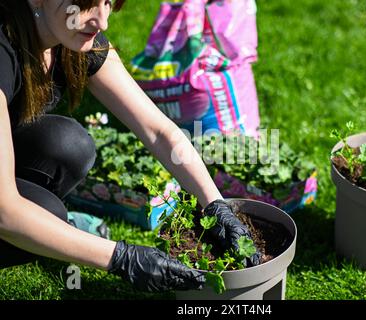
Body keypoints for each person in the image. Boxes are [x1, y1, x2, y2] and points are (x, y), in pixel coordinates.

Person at [0, 0, 260, 293]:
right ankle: (52, 229)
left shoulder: (73, 37)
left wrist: (216, 206)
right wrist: (121, 258)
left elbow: (158, 131)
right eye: (84, 4)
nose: (102, 20)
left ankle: (52, 230)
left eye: (108, 2)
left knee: (68, 145)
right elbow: (5, 212)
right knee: (46, 213)